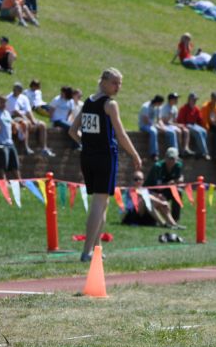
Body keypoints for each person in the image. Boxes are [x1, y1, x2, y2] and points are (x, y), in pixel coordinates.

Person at [69, 68, 142, 262]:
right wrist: (135, 154)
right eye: (114, 83)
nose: (117, 87)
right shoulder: (110, 104)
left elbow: (72, 132)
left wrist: (87, 144)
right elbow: (121, 134)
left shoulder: (88, 102)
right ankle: (86, 252)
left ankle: (96, 249)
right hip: (105, 158)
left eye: (119, 83)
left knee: (103, 203)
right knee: (99, 203)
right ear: (103, 81)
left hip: (88, 157)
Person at [6, 81, 55, 156]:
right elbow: (16, 112)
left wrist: (33, 121)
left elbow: (29, 111)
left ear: (20, 91)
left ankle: (44, 148)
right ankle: (26, 148)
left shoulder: (24, 98)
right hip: (15, 118)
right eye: (14, 89)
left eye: (17, 90)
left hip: (25, 117)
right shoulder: (9, 98)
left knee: (42, 124)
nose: (15, 91)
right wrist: (27, 120)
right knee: (25, 123)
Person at [145, 146, 184, 223]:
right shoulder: (158, 167)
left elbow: (179, 180)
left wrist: (180, 179)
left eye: (173, 159)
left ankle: (175, 219)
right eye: (169, 158)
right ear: (165, 157)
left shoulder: (178, 166)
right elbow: (159, 187)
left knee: (178, 192)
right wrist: (170, 183)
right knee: (161, 196)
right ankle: (162, 219)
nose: (171, 161)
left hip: (166, 189)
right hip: (152, 191)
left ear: (177, 159)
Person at [0, 95, 22, 181]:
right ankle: (4, 181)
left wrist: (14, 126)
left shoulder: (7, 113)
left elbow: (10, 124)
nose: (3, 104)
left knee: (15, 164)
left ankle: (20, 181)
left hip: (10, 142)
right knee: (2, 164)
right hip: (0, 143)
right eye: (2, 102)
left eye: (5, 102)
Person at [139, 94, 178, 160]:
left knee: (171, 132)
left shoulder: (158, 107)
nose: (161, 105)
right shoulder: (146, 107)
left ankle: (175, 154)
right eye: (161, 103)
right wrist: (157, 126)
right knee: (154, 131)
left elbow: (159, 119)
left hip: (154, 125)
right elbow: (145, 120)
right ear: (158, 102)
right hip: (144, 125)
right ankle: (154, 154)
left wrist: (163, 127)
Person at [177, 92, 210, 160]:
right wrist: (184, 127)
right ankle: (205, 153)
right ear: (189, 100)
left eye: (195, 100)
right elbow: (181, 120)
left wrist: (205, 126)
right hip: (186, 125)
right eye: (193, 99)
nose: (194, 101)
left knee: (203, 131)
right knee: (198, 132)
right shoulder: (183, 108)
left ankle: (199, 151)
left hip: (193, 125)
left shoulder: (196, 109)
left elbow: (200, 120)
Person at [161, 92, 193, 157]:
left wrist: (179, 125)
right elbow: (165, 121)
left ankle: (186, 148)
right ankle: (179, 151)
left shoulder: (175, 108)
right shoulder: (165, 108)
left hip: (172, 125)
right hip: (166, 126)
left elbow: (175, 120)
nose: (177, 100)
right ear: (170, 100)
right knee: (178, 131)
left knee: (186, 131)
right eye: (175, 99)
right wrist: (177, 125)